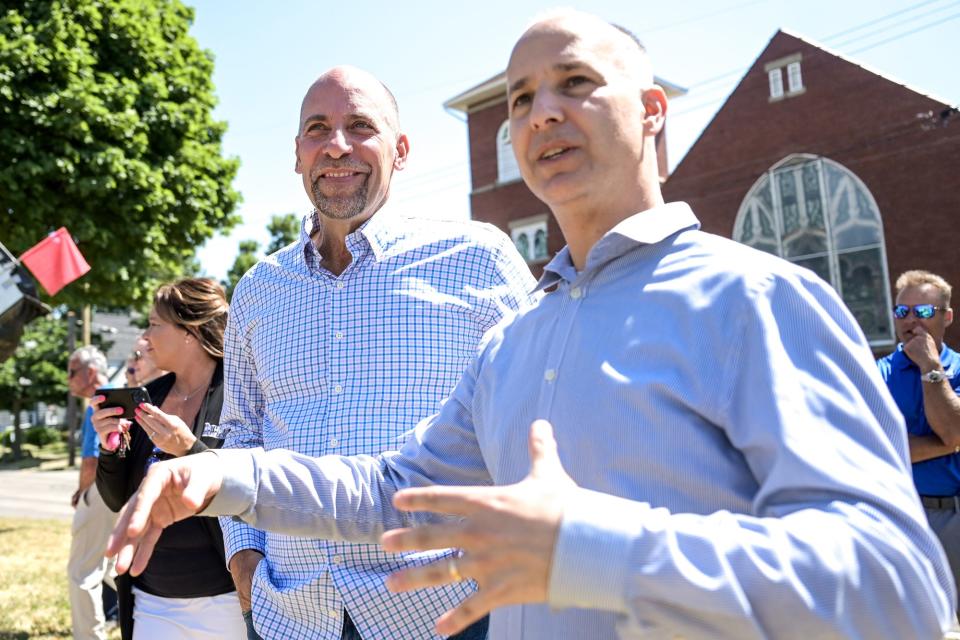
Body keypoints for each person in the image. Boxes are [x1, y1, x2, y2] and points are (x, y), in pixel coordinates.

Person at [108, 11, 956, 639]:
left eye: (576, 83)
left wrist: (595, 547)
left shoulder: (760, 301)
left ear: (653, 110)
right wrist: (224, 480)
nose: (544, 111)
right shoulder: (519, 342)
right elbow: (392, 490)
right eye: (521, 99)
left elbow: (902, 591)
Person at [212, 65, 534, 640]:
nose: (337, 146)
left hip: (444, 613)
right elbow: (243, 432)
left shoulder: (477, 259)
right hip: (291, 613)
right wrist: (244, 557)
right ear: (296, 153)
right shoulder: (259, 288)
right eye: (318, 128)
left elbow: (533, 417)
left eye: (360, 125)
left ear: (401, 149)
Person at [93, 278, 244, 639]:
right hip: (151, 598)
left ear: (189, 332)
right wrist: (110, 447)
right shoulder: (148, 397)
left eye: (154, 324)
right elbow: (118, 499)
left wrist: (189, 449)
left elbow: (249, 493)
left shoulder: (239, 394)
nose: (145, 337)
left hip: (225, 599)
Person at [877, 269, 960, 604]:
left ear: (947, 316)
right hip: (900, 517)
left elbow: (952, 429)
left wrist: (930, 367)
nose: (912, 321)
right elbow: (873, 448)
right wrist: (947, 444)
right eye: (903, 312)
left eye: (924, 312)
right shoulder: (876, 374)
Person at [66, 345, 117, 640]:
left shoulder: (98, 401)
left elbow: (91, 458)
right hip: (122, 492)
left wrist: (82, 493)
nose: (68, 379)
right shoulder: (119, 395)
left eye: (72, 372)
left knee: (82, 573)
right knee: (114, 565)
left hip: (100, 490)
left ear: (90, 372)